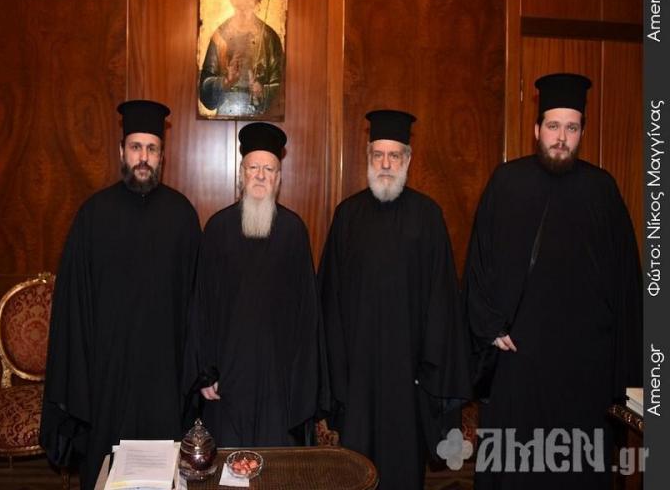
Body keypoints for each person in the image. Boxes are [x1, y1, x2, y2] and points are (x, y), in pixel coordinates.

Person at [465, 73, 642, 490]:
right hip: (518, 366)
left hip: (584, 371)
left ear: (581, 132)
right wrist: (489, 325)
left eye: (572, 128)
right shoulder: (506, 183)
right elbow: (477, 265)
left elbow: (627, 287)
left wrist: (624, 373)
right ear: (536, 129)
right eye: (553, 126)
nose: (561, 138)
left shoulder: (602, 190)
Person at [40, 100, 201, 490]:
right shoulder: (93, 215)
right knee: (105, 469)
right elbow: (72, 307)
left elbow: (198, 302)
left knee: (164, 469)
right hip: (107, 373)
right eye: (135, 147)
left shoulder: (182, 216)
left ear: (162, 155)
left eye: (151, 148)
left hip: (164, 373)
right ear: (121, 151)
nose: (143, 157)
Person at [318, 110, 471, 489]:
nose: (385, 164)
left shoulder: (428, 216)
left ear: (408, 159)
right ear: (368, 157)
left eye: (394, 156)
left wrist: (429, 371)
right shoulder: (347, 216)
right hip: (358, 379)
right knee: (356, 472)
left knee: (404, 470)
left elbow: (442, 303)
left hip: (409, 378)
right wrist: (338, 376)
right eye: (378, 155)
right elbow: (329, 303)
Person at [183, 122, 322, 446]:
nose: (260, 175)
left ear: (279, 178)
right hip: (228, 379)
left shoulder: (294, 231)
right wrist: (205, 372)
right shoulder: (217, 229)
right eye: (253, 168)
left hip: (278, 380)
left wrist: (300, 382)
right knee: (228, 461)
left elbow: (307, 316)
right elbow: (202, 307)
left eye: (269, 169)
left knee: (276, 464)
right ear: (241, 174)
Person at [199, 0, 284, 118]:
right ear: (232, 0)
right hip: (224, 116)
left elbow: (282, 88)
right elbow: (205, 89)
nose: (243, 9)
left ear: (256, 1)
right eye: (239, 3)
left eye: (247, 3)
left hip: (259, 119)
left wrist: (261, 91)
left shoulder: (269, 38)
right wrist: (225, 82)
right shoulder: (220, 37)